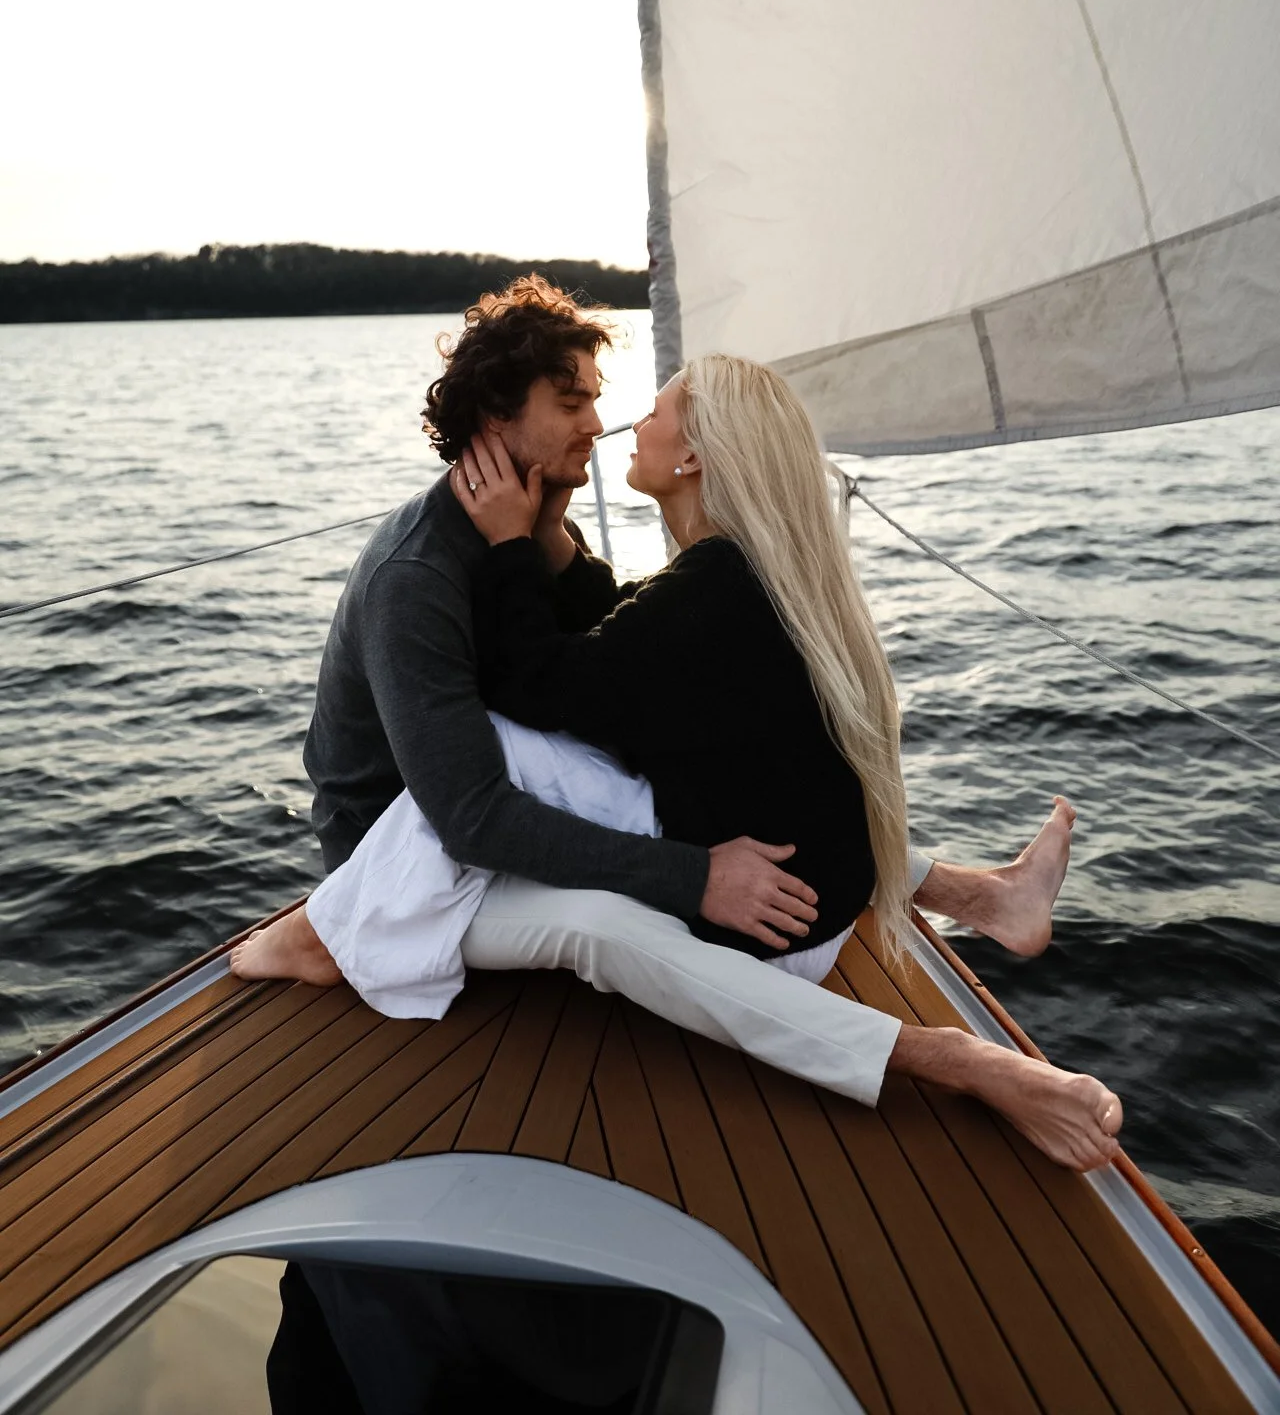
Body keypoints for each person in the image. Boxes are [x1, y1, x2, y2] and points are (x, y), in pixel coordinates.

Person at [234, 281, 1120, 1171]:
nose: (599, 423)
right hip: (409, 866)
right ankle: (946, 1055)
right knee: (599, 921)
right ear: (499, 414)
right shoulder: (417, 577)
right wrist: (693, 876)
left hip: (493, 813)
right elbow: (470, 811)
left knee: (666, 761)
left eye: (606, 401)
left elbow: (612, 674)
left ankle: (979, 896)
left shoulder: (555, 543)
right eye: (573, 399)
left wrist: (543, 545)